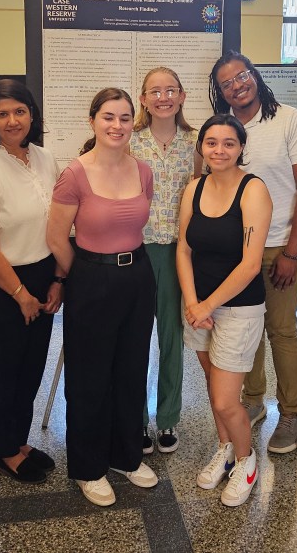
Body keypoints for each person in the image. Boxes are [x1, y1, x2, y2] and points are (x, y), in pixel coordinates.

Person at [46, 88, 158, 507]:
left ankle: (125, 455)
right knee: (89, 376)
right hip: (91, 277)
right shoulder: (75, 174)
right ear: (92, 120)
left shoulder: (143, 171)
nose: (117, 125)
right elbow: (56, 237)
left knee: (131, 369)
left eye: (125, 118)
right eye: (108, 117)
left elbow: (137, 222)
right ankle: (88, 466)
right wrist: (84, 275)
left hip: (138, 276)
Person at [209, 52, 297, 453]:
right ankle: (252, 400)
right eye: (227, 83)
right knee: (244, 329)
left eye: (242, 76)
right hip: (236, 252)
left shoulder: (289, 119)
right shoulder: (225, 128)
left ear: (255, 75)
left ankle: (291, 413)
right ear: (220, 92)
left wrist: (292, 252)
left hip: (279, 247)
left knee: (281, 330)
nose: (237, 85)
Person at [0, 79, 62, 484]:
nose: (12, 120)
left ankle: (19, 440)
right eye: (1, 114)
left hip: (43, 274)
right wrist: (21, 294)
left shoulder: (44, 158)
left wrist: (58, 279)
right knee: (5, 369)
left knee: (32, 366)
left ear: (32, 114)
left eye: (19, 111)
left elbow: (59, 224)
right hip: (3, 282)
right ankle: (4, 450)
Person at [178, 114, 273, 507]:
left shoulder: (253, 191)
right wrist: (192, 303)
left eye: (228, 143)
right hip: (198, 306)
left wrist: (206, 305)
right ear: (202, 147)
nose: (219, 150)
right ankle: (226, 448)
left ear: (241, 148)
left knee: (224, 400)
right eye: (211, 143)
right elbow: (184, 249)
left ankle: (247, 462)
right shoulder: (194, 188)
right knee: (212, 381)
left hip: (238, 309)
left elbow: (250, 265)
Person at [129, 67, 200, 455]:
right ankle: (137, 418)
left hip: (178, 252)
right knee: (137, 337)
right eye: (154, 91)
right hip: (137, 250)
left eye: (170, 90)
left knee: (172, 337)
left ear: (182, 95)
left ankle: (168, 417)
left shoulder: (196, 141)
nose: (163, 97)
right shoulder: (130, 140)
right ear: (143, 99)